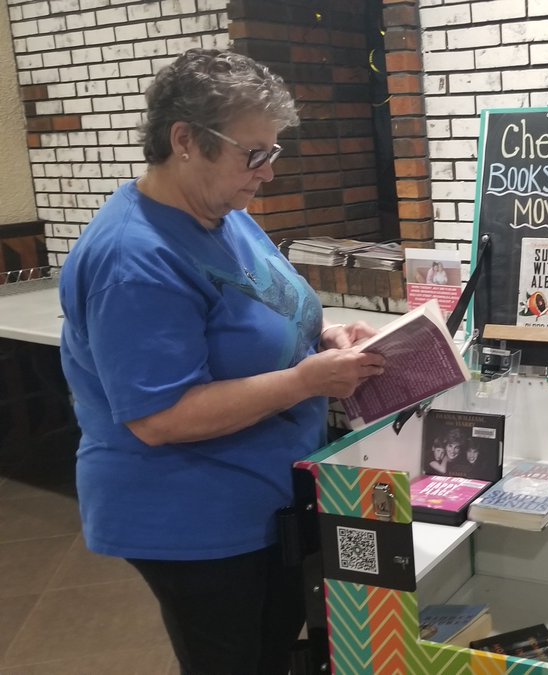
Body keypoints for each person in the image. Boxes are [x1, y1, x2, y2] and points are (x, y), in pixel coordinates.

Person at [57, 49, 387, 675]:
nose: (268, 172)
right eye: (253, 153)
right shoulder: (134, 260)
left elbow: (262, 314)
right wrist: (304, 381)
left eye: (273, 152)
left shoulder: (222, 213)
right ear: (185, 140)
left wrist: (323, 338)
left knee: (270, 653)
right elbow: (162, 417)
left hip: (262, 499)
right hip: (193, 517)